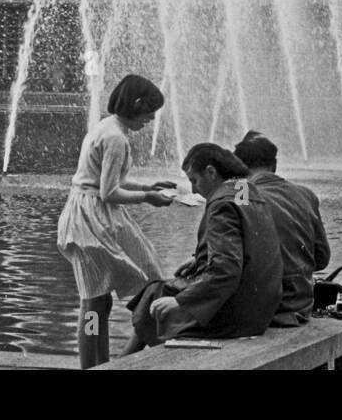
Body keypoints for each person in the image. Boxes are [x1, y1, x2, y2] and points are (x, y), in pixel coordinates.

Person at [56, 74, 177, 368]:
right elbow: (109, 192)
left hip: (93, 214)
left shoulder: (107, 127)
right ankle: (92, 364)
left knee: (99, 300)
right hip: (91, 220)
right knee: (94, 302)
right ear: (137, 104)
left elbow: (106, 182)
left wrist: (148, 188)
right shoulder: (115, 138)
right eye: (150, 113)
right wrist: (148, 198)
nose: (150, 120)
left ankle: (102, 362)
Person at [127, 143, 282, 350]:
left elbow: (226, 271)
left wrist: (182, 301)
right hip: (259, 310)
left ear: (211, 172)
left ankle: (126, 360)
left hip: (234, 318)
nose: (193, 190)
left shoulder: (222, 204)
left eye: (194, 180)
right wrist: (200, 257)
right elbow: (247, 241)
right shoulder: (246, 191)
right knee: (162, 293)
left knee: (156, 294)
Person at [235, 131, 331, 325]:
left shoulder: (241, 193)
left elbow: (230, 260)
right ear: (275, 164)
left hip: (259, 309)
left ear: (239, 166)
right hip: (300, 305)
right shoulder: (306, 194)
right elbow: (321, 258)